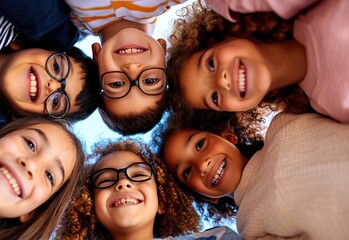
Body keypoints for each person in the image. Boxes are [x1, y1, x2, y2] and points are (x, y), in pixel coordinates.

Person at [160, 111, 349, 239]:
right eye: (187, 171)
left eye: (200, 144)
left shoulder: (283, 124)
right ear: (206, 198)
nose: (202, 165)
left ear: (227, 137)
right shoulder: (250, 229)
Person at [166, 0, 349, 123]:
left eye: (210, 64)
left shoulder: (302, 9)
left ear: (225, 38)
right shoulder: (329, 105)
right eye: (214, 98)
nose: (221, 81)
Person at [58, 139, 240, 239]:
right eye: (106, 180)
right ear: (90, 208)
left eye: (138, 175)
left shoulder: (217, 237)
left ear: (162, 201)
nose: (122, 183)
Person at [63, 0, 189, 135]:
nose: (132, 68)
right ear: (163, 50)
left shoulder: (67, 21)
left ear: (96, 57)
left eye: (116, 84)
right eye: (150, 81)